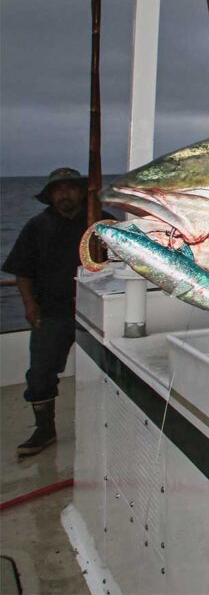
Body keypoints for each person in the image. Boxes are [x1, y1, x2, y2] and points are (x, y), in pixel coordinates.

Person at [3, 168, 97, 457]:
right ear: (51, 195)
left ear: (82, 192)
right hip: (52, 313)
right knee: (41, 374)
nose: (65, 194)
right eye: (59, 189)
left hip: (96, 313)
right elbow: (22, 271)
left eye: (71, 188)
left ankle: (103, 425)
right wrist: (30, 305)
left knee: (103, 371)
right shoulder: (36, 227)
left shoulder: (100, 222)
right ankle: (45, 429)